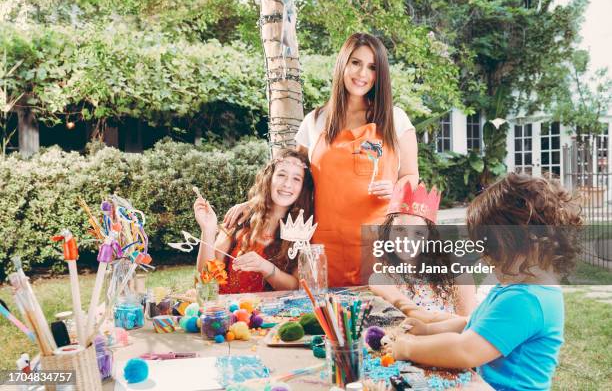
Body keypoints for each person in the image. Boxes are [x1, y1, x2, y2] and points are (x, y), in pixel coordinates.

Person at [225, 32, 419, 287]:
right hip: (325, 246)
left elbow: (411, 176)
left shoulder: (395, 119)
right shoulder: (314, 121)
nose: (362, 74)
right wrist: (254, 203)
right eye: (355, 63)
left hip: (379, 244)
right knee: (325, 320)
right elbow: (295, 179)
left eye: (372, 67)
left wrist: (395, 190)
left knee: (381, 321)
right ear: (342, 65)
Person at [384, 173, 583, 391]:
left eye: (492, 249)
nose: (485, 257)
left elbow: (464, 351)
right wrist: (428, 330)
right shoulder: (514, 284)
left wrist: (408, 348)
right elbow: (472, 322)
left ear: (530, 242)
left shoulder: (527, 300)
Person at [194, 149, 314, 293]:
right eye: (281, 175)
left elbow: (298, 287)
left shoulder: (302, 231)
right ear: (269, 178)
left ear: (303, 187)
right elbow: (205, 282)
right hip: (227, 311)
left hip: (270, 314)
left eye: (296, 179)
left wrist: (265, 267)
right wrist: (207, 230)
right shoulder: (241, 220)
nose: (287, 184)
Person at [369, 181, 476, 320]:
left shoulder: (457, 274)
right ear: (387, 232)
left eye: (418, 233)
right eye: (400, 230)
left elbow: (470, 324)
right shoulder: (381, 277)